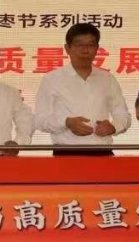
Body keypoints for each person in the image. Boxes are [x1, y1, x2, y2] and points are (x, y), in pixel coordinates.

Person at [34, 23, 131, 156]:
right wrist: (66, 123)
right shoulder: (52, 79)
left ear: (97, 48)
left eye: (91, 45)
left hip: (102, 153)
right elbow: (40, 120)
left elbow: (123, 115)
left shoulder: (107, 78)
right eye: (79, 45)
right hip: (66, 153)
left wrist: (114, 127)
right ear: (67, 48)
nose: (85, 50)